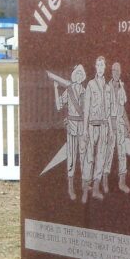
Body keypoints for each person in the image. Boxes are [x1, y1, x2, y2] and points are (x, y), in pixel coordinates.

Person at [54, 64, 86, 200]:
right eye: (77, 74)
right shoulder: (69, 90)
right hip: (72, 127)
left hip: (83, 127)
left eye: (81, 74)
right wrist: (55, 89)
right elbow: (59, 106)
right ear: (74, 75)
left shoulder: (85, 90)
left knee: (84, 157)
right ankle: (71, 187)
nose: (79, 76)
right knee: (72, 157)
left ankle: (85, 184)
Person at [81, 56, 108, 202]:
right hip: (92, 125)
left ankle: (96, 189)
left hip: (103, 125)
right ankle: (86, 189)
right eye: (98, 64)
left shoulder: (107, 86)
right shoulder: (91, 85)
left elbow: (109, 108)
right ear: (95, 67)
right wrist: (85, 129)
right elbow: (86, 108)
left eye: (102, 65)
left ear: (105, 67)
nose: (100, 67)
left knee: (101, 157)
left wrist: (109, 127)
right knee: (89, 157)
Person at [104, 62, 130, 193]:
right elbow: (104, 109)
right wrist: (110, 125)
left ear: (120, 72)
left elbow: (123, 109)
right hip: (110, 123)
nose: (115, 72)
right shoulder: (106, 87)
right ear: (111, 72)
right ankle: (104, 182)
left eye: (118, 70)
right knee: (108, 152)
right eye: (113, 70)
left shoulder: (122, 87)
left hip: (120, 123)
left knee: (122, 153)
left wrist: (128, 125)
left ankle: (122, 183)